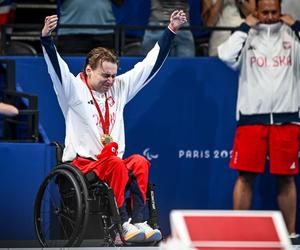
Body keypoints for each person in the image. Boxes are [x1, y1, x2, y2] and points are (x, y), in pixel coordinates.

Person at [41, 10, 187, 243]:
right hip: (84, 164)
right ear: (88, 70)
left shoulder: (118, 87)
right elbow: (56, 68)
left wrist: (170, 31)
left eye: (113, 75)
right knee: (116, 164)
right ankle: (123, 225)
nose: (110, 81)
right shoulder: (72, 90)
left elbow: (148, 66)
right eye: (105, 75)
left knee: (139, 162)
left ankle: (140, 221)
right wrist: (47, 40)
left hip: (112, 162)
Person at [218, 0, 300, 240]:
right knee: (245, 176)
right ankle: (238, 231)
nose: (270, 17)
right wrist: (244, 27)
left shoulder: (292, 34)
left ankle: (290, 234)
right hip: (251, 117)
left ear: (281, 10)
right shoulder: (246, 34)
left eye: (274, 12)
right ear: (256, 12)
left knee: (286, 178)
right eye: (265, 12)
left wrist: (295, 26)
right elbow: (224, 55)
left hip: (287, 118)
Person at [53, 0, 124, 55]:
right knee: (71, 70)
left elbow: (120, 2)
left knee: (105, 70)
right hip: (70, 33)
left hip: (104, 32)